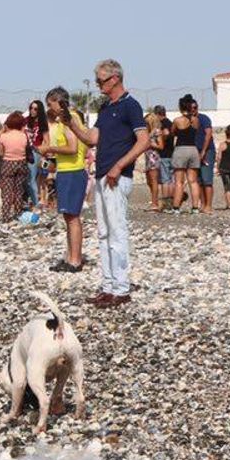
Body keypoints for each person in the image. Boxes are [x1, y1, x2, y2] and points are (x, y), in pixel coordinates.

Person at [66, 59, 150, 309]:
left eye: (101, 80)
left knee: (117, 231)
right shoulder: (106, 108)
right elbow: (93, 138)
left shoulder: (130, 106)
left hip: (117, 175)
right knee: (104, 233)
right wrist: (72, 124)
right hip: (103, 175)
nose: (98, 85)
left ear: (115, 79)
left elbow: (143, 140)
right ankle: (108, 285)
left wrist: (120, 165)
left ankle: (121, 288)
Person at [43, 87, 88, 272]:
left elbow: (72, 147)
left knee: (72, 217)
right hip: (66, 170)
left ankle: (75, 260)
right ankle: (70, 256)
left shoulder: (70, 120)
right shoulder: (65, 120)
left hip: (73, 171)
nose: (50, 108)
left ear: (57, 101)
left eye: (50, 104)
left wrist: (50, 148)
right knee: (68, 216)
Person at [0, 111, 32, 221]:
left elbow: (1, 153)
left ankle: (6, 216)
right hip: (22, 163)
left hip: (8, 163)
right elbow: (27, 149)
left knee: (6, 191)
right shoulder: (24, 136)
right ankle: (18, 213)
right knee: (19, 190)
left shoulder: (3, 137)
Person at [169, 102, 202, 213]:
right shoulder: (196, 120)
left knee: (179, 181)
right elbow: (195, 131)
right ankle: (195, 207)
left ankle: (176, 207)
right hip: (193, 149)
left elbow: (172, 132)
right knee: (193, 181)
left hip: (181, 149)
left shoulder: (177, 120)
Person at [24, 100, 48, 211]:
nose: (32, 111)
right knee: (26, 178)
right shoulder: (26, 121)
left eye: (35, 109)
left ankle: (36, 203)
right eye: (31, 108)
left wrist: (43, 154)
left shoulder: (43, 123)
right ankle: (30, 200)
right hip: (23, 151)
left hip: (35, 152)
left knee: (31, 178)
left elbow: (47, 141)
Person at [152, 105, 175, 209]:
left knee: (165, 180)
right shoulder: (171, 123)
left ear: (158, 114)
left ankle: (166, 204)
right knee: (171, 179)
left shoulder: (163, 124)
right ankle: (172, 202)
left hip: (164, 154)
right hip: (172, 153)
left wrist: (162, 138)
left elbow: (166, 133)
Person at [142, 110, 164, 211]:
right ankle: (154, 201)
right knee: (149, 181)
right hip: (148, 157)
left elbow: (161, 146)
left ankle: (155, 203)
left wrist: (151, 144)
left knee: (154, 181)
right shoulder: (148, 132)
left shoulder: (157, 131)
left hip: (153, 157)